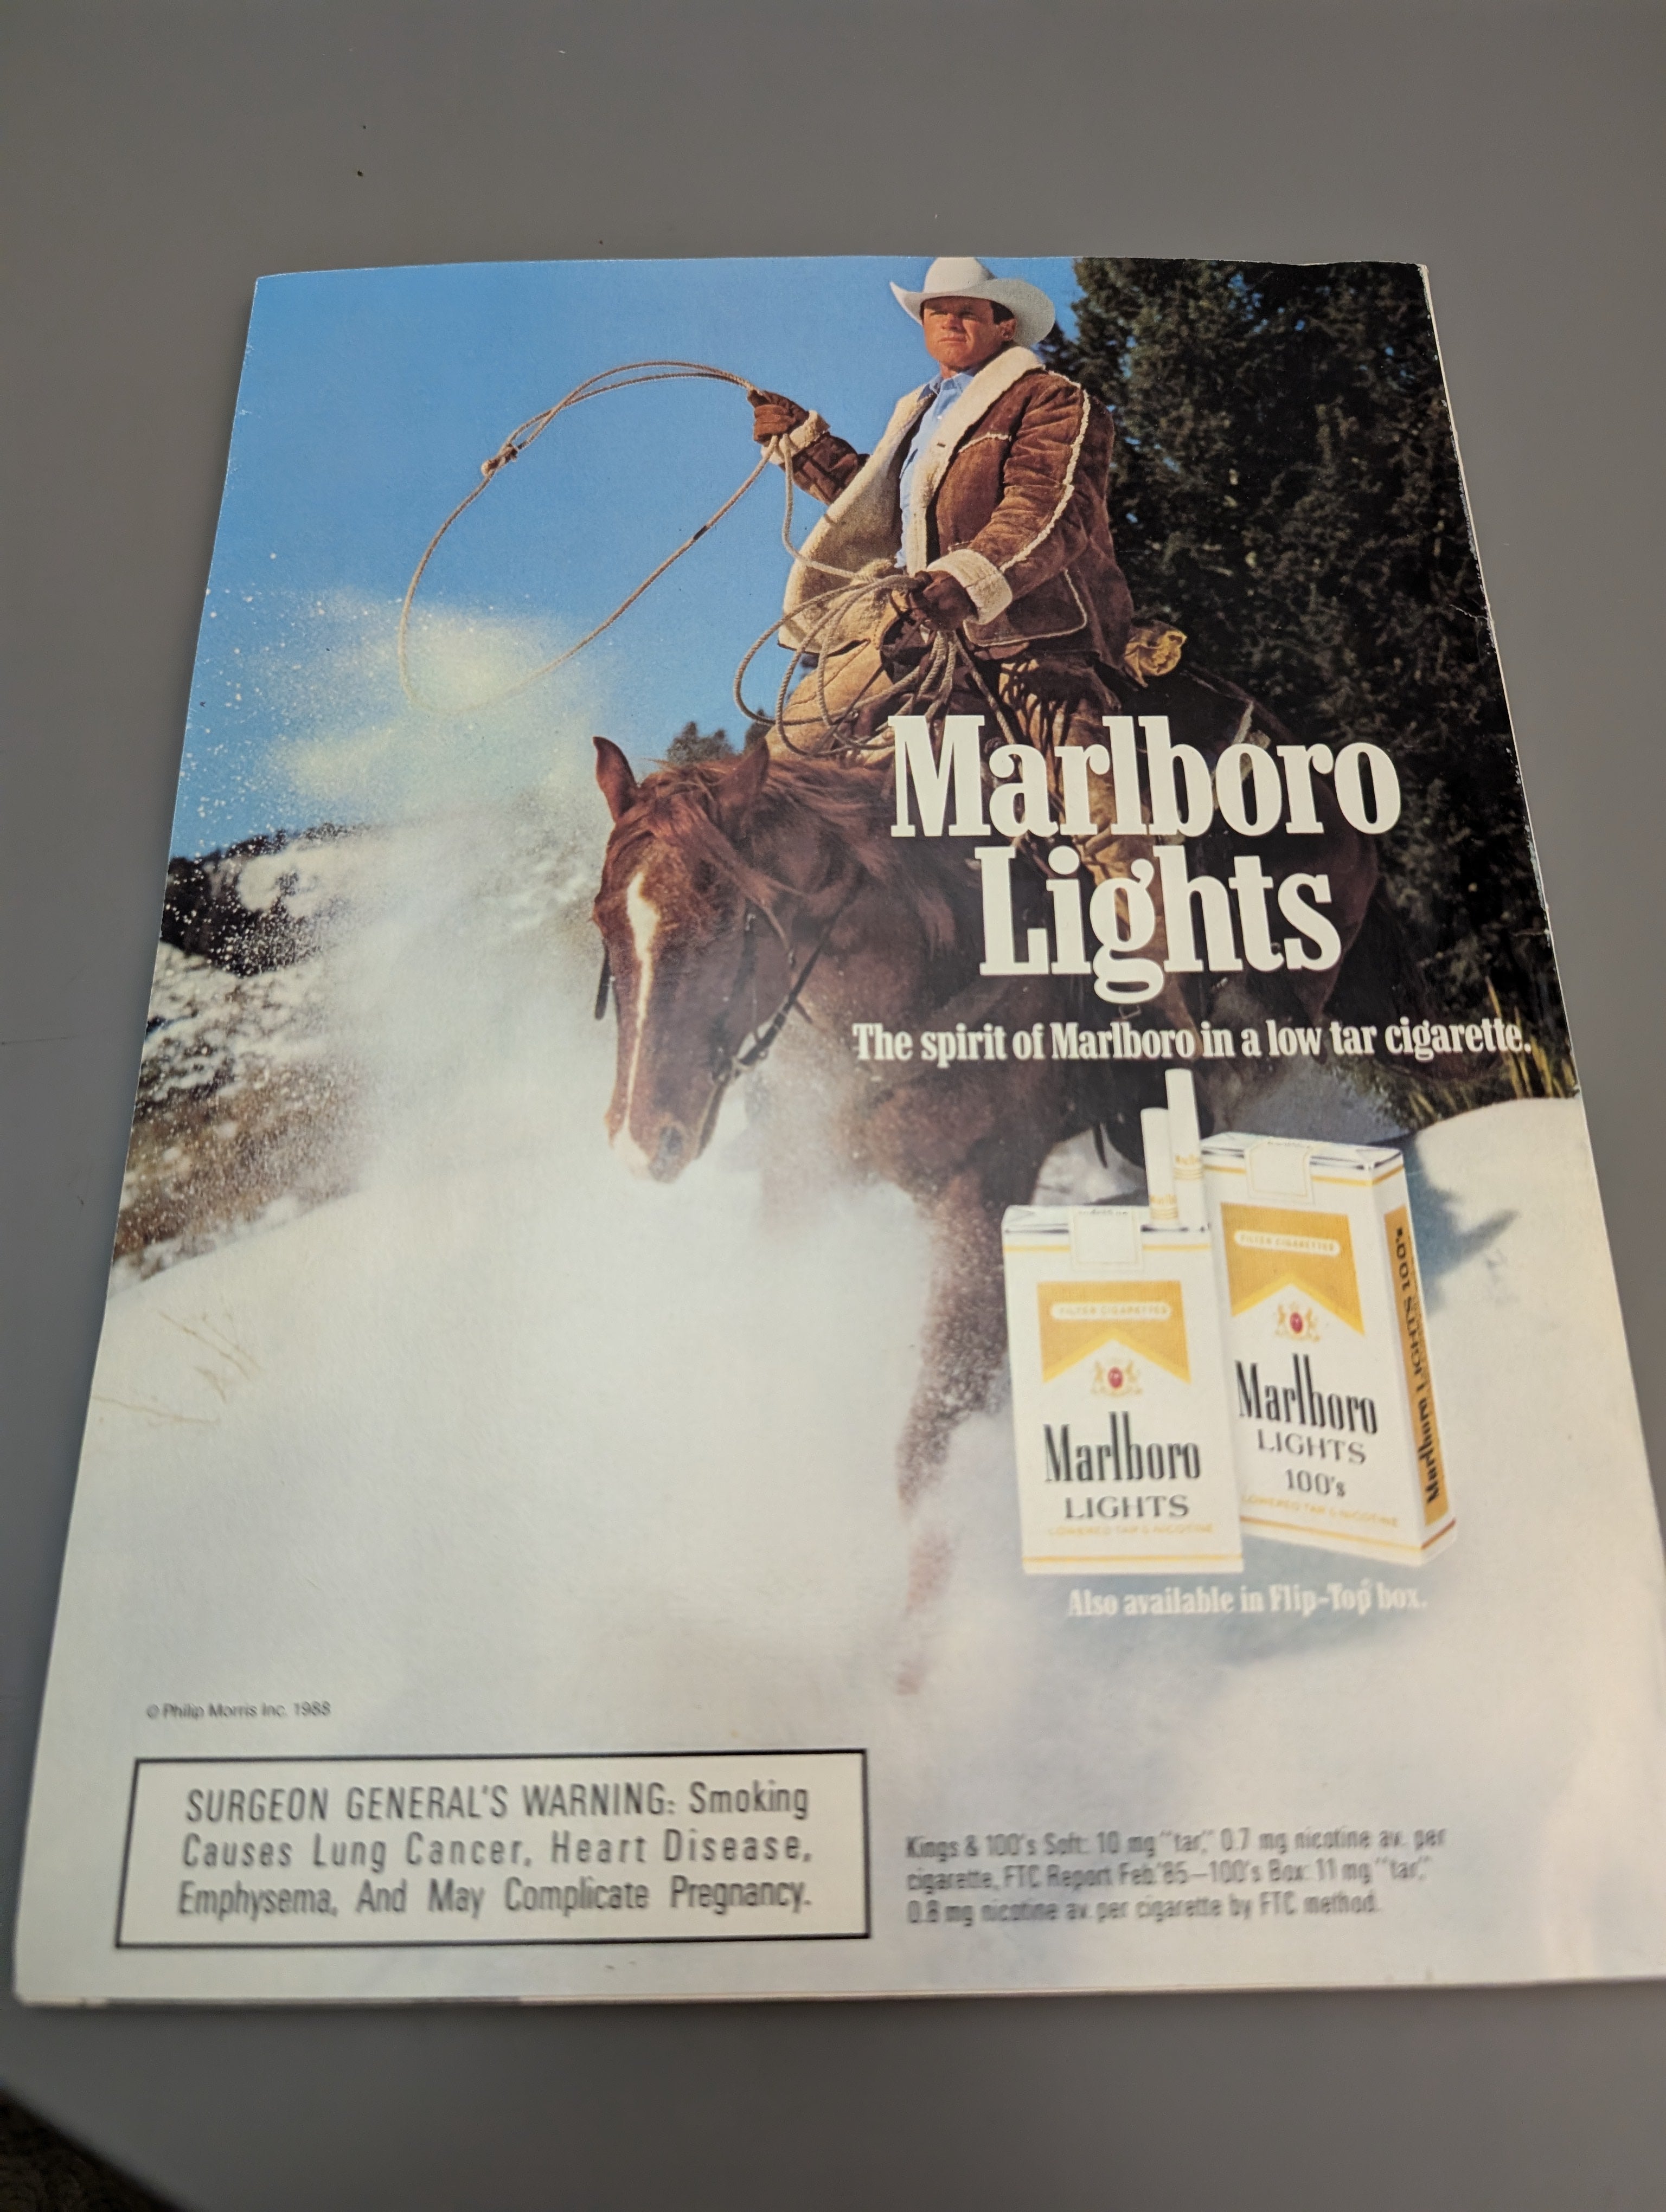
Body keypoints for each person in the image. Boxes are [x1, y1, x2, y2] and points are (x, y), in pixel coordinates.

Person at [747, 256, 1164, 787]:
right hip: (916, 624)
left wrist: (967, 580)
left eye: (967, 311)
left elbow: (1048, 507)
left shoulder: (1052, 399)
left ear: (1005, 325)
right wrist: (805, 445)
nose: (949, 321)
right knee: (782, 759)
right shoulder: (920, 415)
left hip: (1031, 634)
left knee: (1094, 799)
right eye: (936, 311)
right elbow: (886, 508)